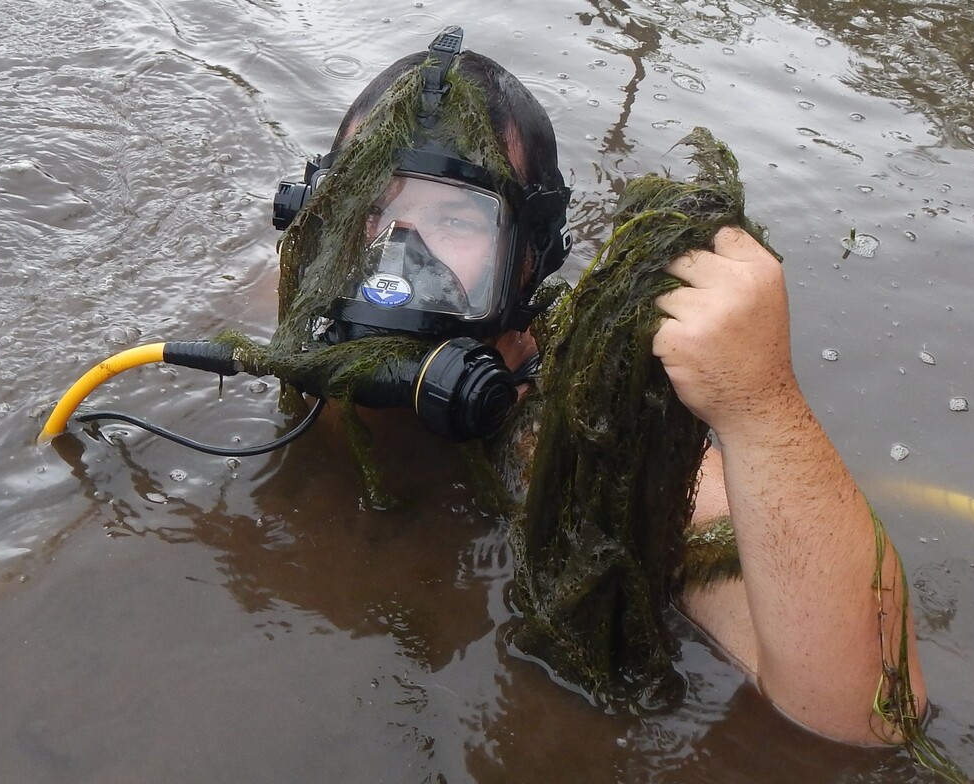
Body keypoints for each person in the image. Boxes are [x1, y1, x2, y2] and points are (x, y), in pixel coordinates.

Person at [275, 28, 926, 747]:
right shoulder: (280, 324)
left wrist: (760, 408)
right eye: (368, 201)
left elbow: (867, 715)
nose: (394, 250)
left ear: (531, 259)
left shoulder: (575, 440)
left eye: (456, 215)